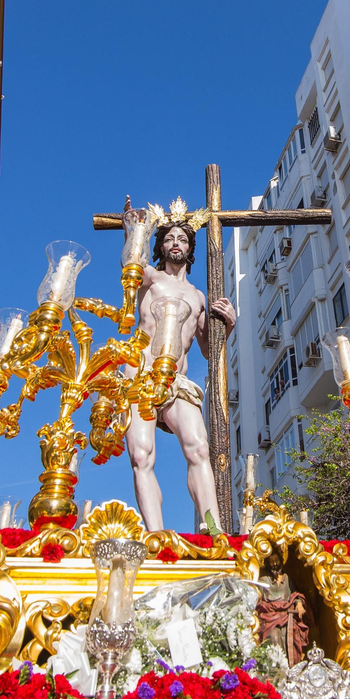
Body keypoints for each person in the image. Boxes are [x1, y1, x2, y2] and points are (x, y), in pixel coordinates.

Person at [121, 200, 237, 532]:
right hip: (140, 375)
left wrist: (227, 325)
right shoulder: (150, 278)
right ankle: (155, 536)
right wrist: (134, 230)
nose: (176, 243)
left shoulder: (199, 297)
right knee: (142, 456)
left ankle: (211, 529)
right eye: (170, 238)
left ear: (190, 249)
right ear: (161, 245)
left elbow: (206, 349)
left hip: (178, 382)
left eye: (182, 240)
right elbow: (130, 264)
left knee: (199, 447)